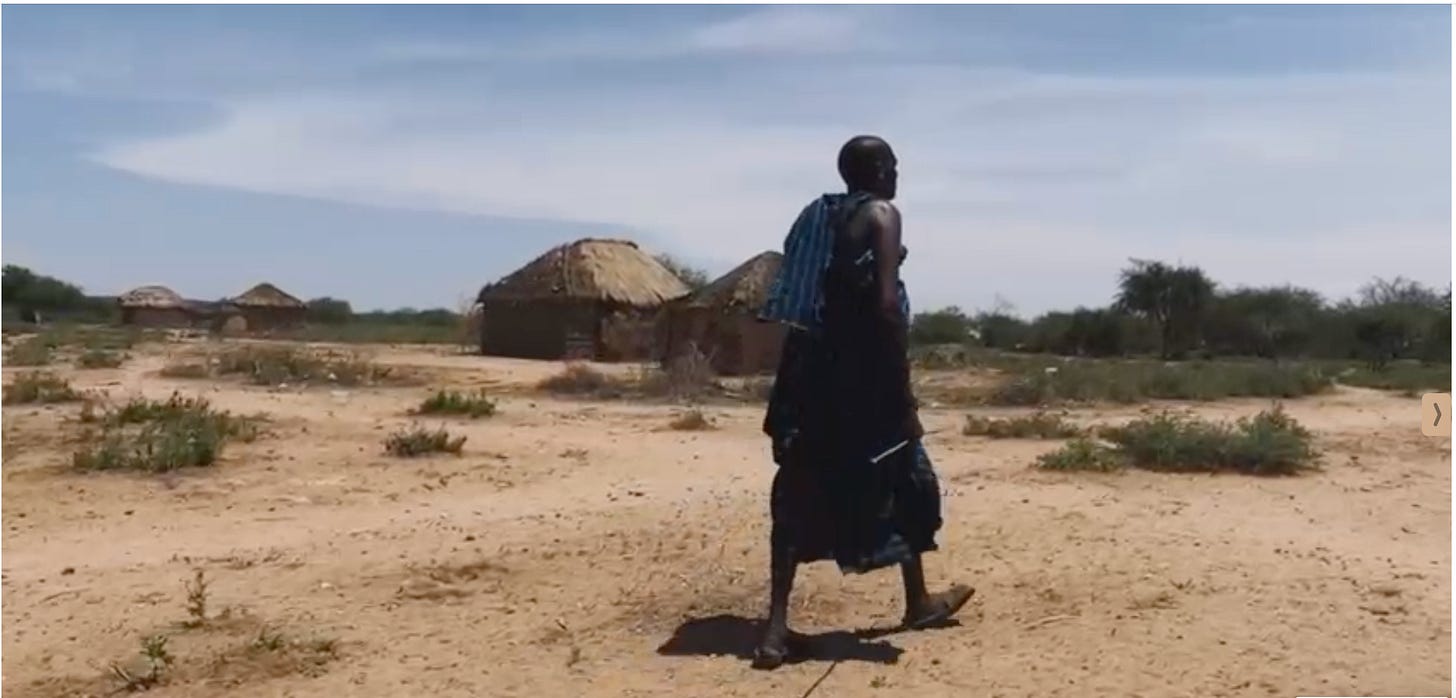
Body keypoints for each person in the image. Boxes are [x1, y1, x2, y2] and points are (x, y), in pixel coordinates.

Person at [752, 135, 973, 669]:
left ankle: (776, 630)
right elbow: (885, 305)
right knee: (906, 474)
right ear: (873, 169)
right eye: (891, 165)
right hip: (861, 376)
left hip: (808, 372)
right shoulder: (881, 213)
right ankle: (918, 602)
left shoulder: (818, 216)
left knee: (799, 486)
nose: (896, 173)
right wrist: (900, 388)